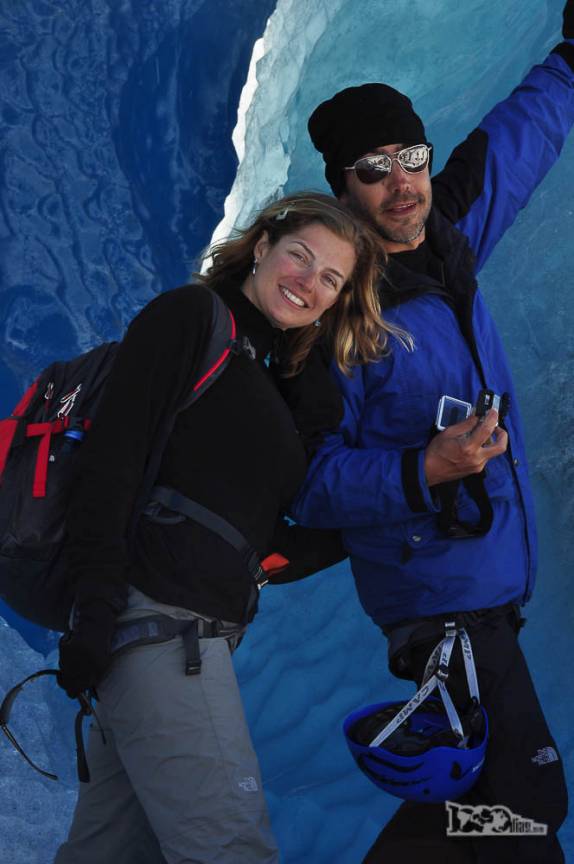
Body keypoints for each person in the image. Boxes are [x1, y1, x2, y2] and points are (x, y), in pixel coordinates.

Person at [291, 5, 574, 863]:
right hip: (442, 611)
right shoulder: (335, 311)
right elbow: (308, 483)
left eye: (410, 159)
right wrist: (424, 468)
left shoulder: (444, 244)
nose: (402, 182)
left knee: (487, 810)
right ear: (343, 188)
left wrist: (570, 59)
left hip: (485, 602)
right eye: (374, 171)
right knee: (528, 807)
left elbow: (513, 148)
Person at [53, 192, 396, 864]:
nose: (309, 281)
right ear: (263, 246)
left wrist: (418, 485)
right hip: (156, 628)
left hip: (184, 636)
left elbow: (270, 548)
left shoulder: (268, 376)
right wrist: (92, 608)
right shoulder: (192, 318)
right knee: (231, 850)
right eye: (301, 256)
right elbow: (113, 459)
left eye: (331, 280)